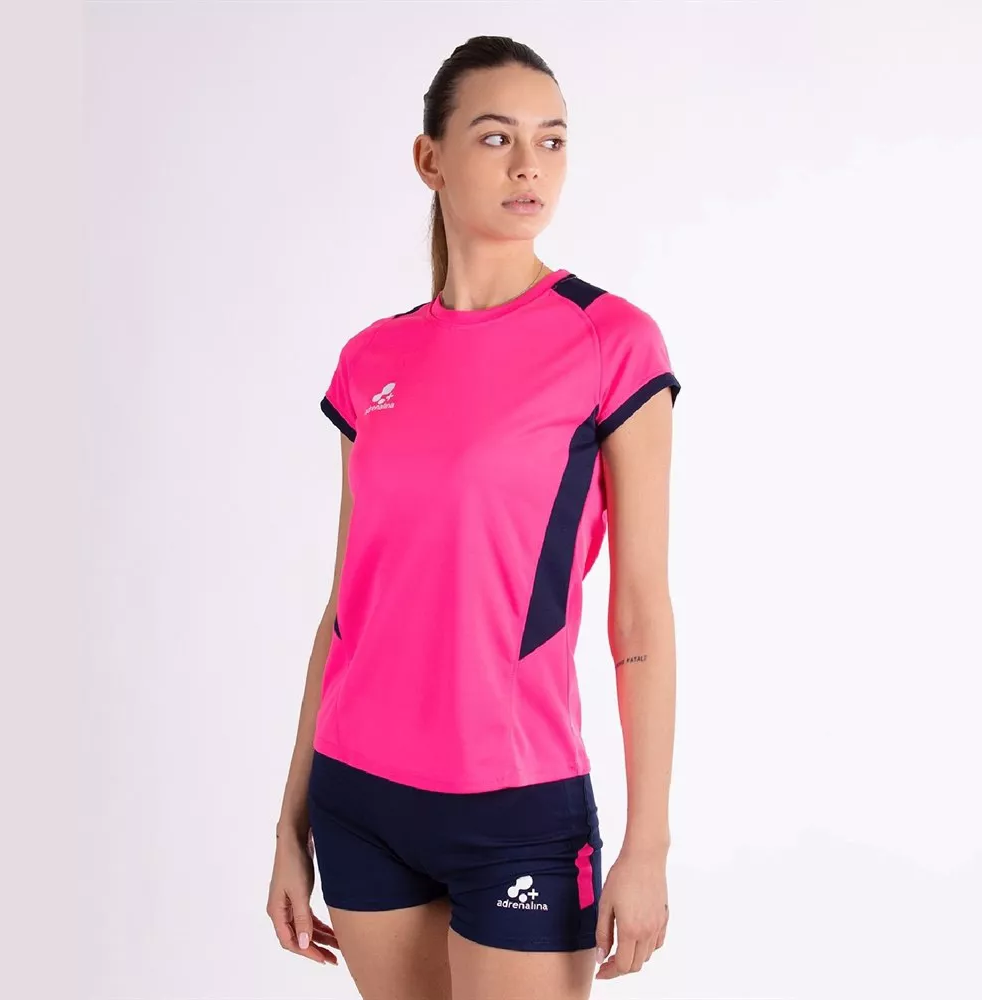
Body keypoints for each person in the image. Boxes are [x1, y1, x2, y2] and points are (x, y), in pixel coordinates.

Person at [266, 35, 680, 1000]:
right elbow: (346, 608)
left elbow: (640, 617)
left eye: (552, 140)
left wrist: (647, 845)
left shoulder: (611, 342)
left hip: (519, 809)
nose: (530, 164)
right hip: (358, 800)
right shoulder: (370, 361)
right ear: (431, 160)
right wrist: (290, 823)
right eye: (496, 138)